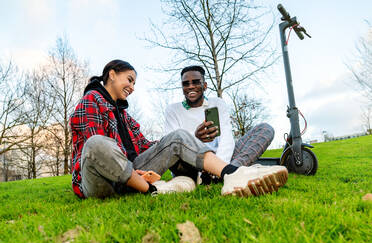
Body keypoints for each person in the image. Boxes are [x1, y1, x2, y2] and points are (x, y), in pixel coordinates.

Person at [70, 60, 288, 199]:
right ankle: (156, 190)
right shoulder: (91, 101)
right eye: (129, 80)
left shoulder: (124, 115)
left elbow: (148, 146)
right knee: (97, 143)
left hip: (134, 173)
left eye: (134, 83)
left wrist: (183, 142)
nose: (133, 87)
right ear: (111, 74)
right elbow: (98, 154)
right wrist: (140, 174)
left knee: (177, 138)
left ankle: (232, 174)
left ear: (205, 85)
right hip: (102, 181)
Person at [164, 65, 276, 183]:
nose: (190, 86)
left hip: (221, 159)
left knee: (265, 129)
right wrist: (195, 137)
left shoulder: (217, 103)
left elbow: (226, 138)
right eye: (186, 84)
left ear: (205, 86)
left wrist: (218, 167)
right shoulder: (172, 110)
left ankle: (224, 174)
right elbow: (172, 146)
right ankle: (230, 174)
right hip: (191, 165)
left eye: (195, 82)